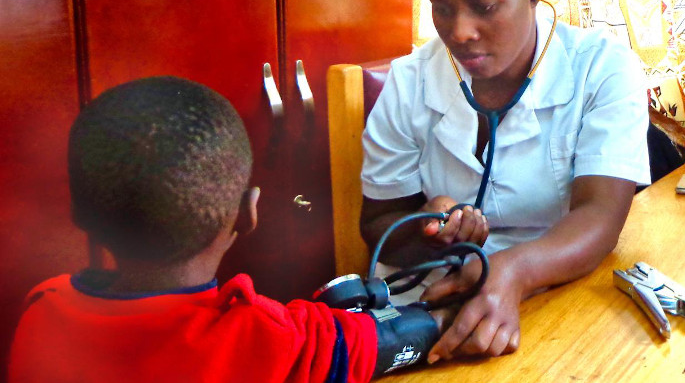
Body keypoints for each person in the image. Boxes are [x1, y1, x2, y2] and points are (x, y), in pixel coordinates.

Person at [9, 76, 444, 383]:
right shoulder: (266, 338)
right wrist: (453, 310)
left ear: (80, 215)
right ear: (248, 215)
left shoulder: (41, 313)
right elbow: (389, 341)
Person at [360, 0, 650, 364]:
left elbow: (600, 217)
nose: (459, 31)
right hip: (425, 317)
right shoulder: (409, 83)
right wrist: (429, 231)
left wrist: (514, 270)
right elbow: (378, 224)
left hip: (553, 302)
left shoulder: (603, 69)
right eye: (442, 7)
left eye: (484, 6)